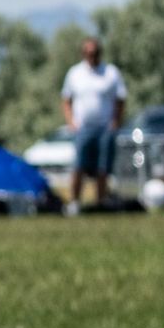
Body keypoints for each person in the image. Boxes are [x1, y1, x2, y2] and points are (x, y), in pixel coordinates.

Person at [61, 36, 127, 211]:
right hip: (83, 127)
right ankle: (74, 203)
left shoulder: (111, 72)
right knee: (79, 166)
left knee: (102, 168)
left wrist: (116, 122)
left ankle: (101, 203)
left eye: (95, 52)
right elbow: (66, 100)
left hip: (105, 127)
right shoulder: (75, 73)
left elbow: (121, 99)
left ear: (100, 52)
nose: (92, 55)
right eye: (88, 52)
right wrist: (71, 122)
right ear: (83, 54)